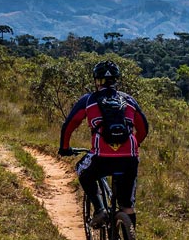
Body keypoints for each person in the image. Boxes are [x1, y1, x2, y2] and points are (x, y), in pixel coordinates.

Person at [58, 60, 148, 228]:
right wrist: (135, 144)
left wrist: (64, 148)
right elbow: (144, 128)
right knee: (127, 205)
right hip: (129, 158)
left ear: (96, 80)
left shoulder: (88, 100)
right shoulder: (129, 100)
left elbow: (69, 125)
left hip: (101, 157)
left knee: (82, 171)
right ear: (116, 80)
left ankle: (100, 209)